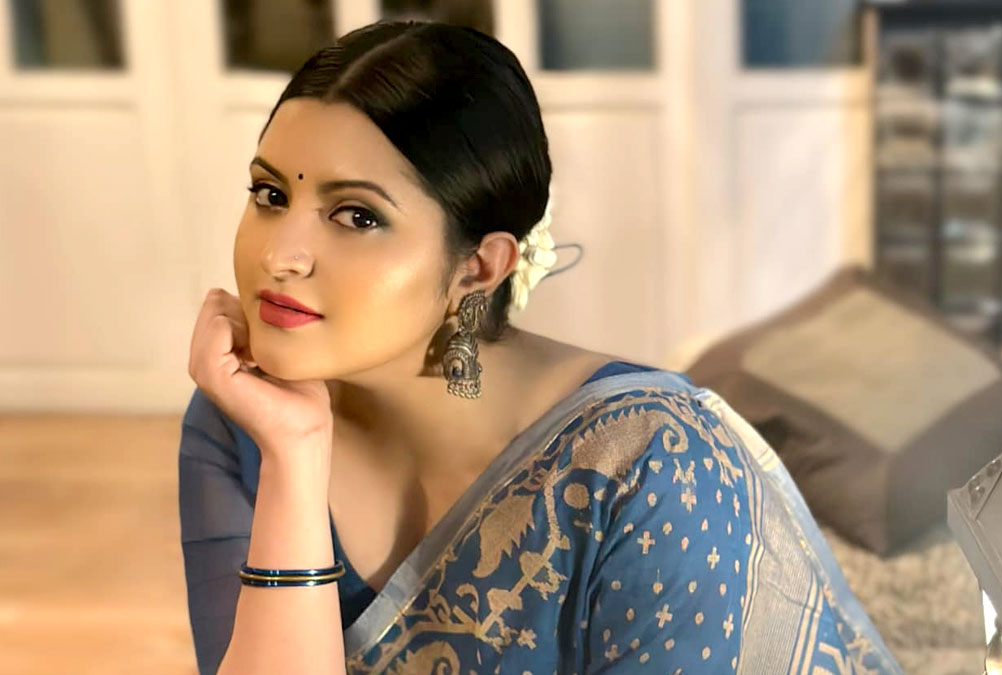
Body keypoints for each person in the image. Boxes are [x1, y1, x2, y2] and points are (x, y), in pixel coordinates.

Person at [178, 19, 902, 675]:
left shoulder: (651, 463)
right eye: (270, 195)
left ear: (478, 268)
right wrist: (296, 454)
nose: (280, 255)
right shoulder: (251, 423)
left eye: (356, 216)